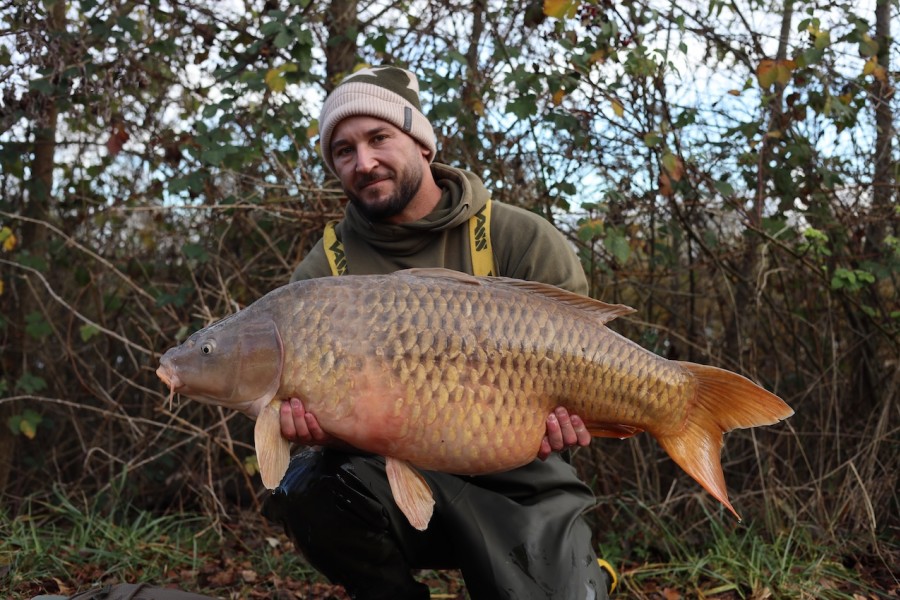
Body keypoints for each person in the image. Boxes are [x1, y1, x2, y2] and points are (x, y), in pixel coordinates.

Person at [261, 65, 615, 599]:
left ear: (423, 144)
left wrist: (579, 417)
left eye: (380, 138)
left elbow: (585, 360)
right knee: (307, 485)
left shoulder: (518, 237)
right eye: (343, 151)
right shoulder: (323, 273)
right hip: (388, 478)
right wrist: (315, 429)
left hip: (520, 478)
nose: (364, 162)